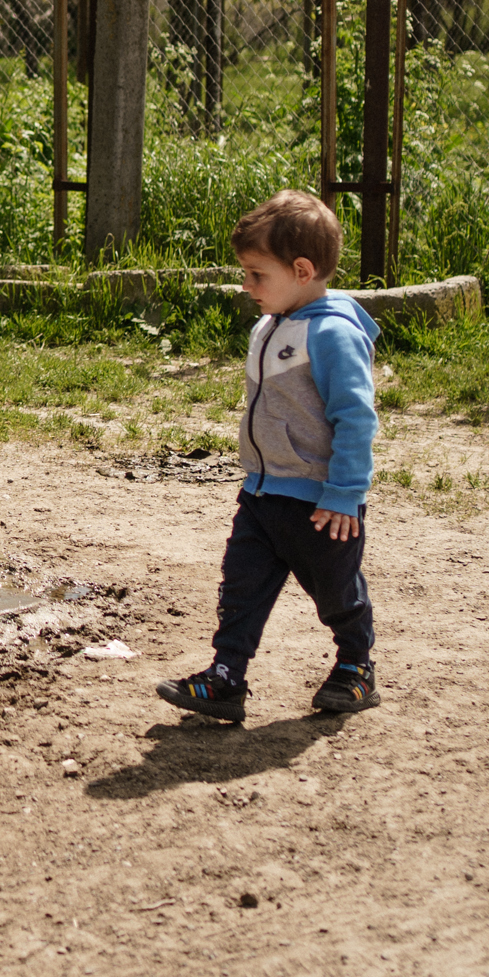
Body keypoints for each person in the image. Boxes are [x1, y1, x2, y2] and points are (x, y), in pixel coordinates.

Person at [159, 189, 383, 722]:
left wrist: (346, 495)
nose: (246, 285)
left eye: (257, 274)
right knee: (241, 586)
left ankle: (356, 665)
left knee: (336, 594)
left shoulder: (331, 335)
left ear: (302, 270)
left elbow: (356, 418)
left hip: (321, 505)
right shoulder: (271, 324)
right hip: (261, 493)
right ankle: (226, 678)